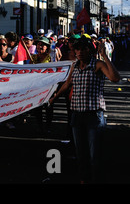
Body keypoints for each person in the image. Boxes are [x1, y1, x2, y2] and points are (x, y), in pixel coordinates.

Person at [49, 36, 120, 183]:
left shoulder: (98, 65)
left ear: (90, 50)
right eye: (77, 49)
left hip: (94, 115)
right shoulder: (75, 66)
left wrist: (105, 55)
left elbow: (115, 78)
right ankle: (84, 180)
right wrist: (53, 98)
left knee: (94, 154)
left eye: (83, 49)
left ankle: (95, 179)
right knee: (81, 153)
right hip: (77, 115)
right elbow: (67, 85)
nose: (80, 52)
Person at [30, 36, 53, 134]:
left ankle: (48, 127)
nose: (40, 47)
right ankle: (40, 127)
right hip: (36, 87)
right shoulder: (33, 57)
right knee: (37, 109)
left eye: (43, 45)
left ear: (47, 47)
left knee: (48, 108)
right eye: (39, 44)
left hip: (48, 86)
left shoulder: (51, 58)